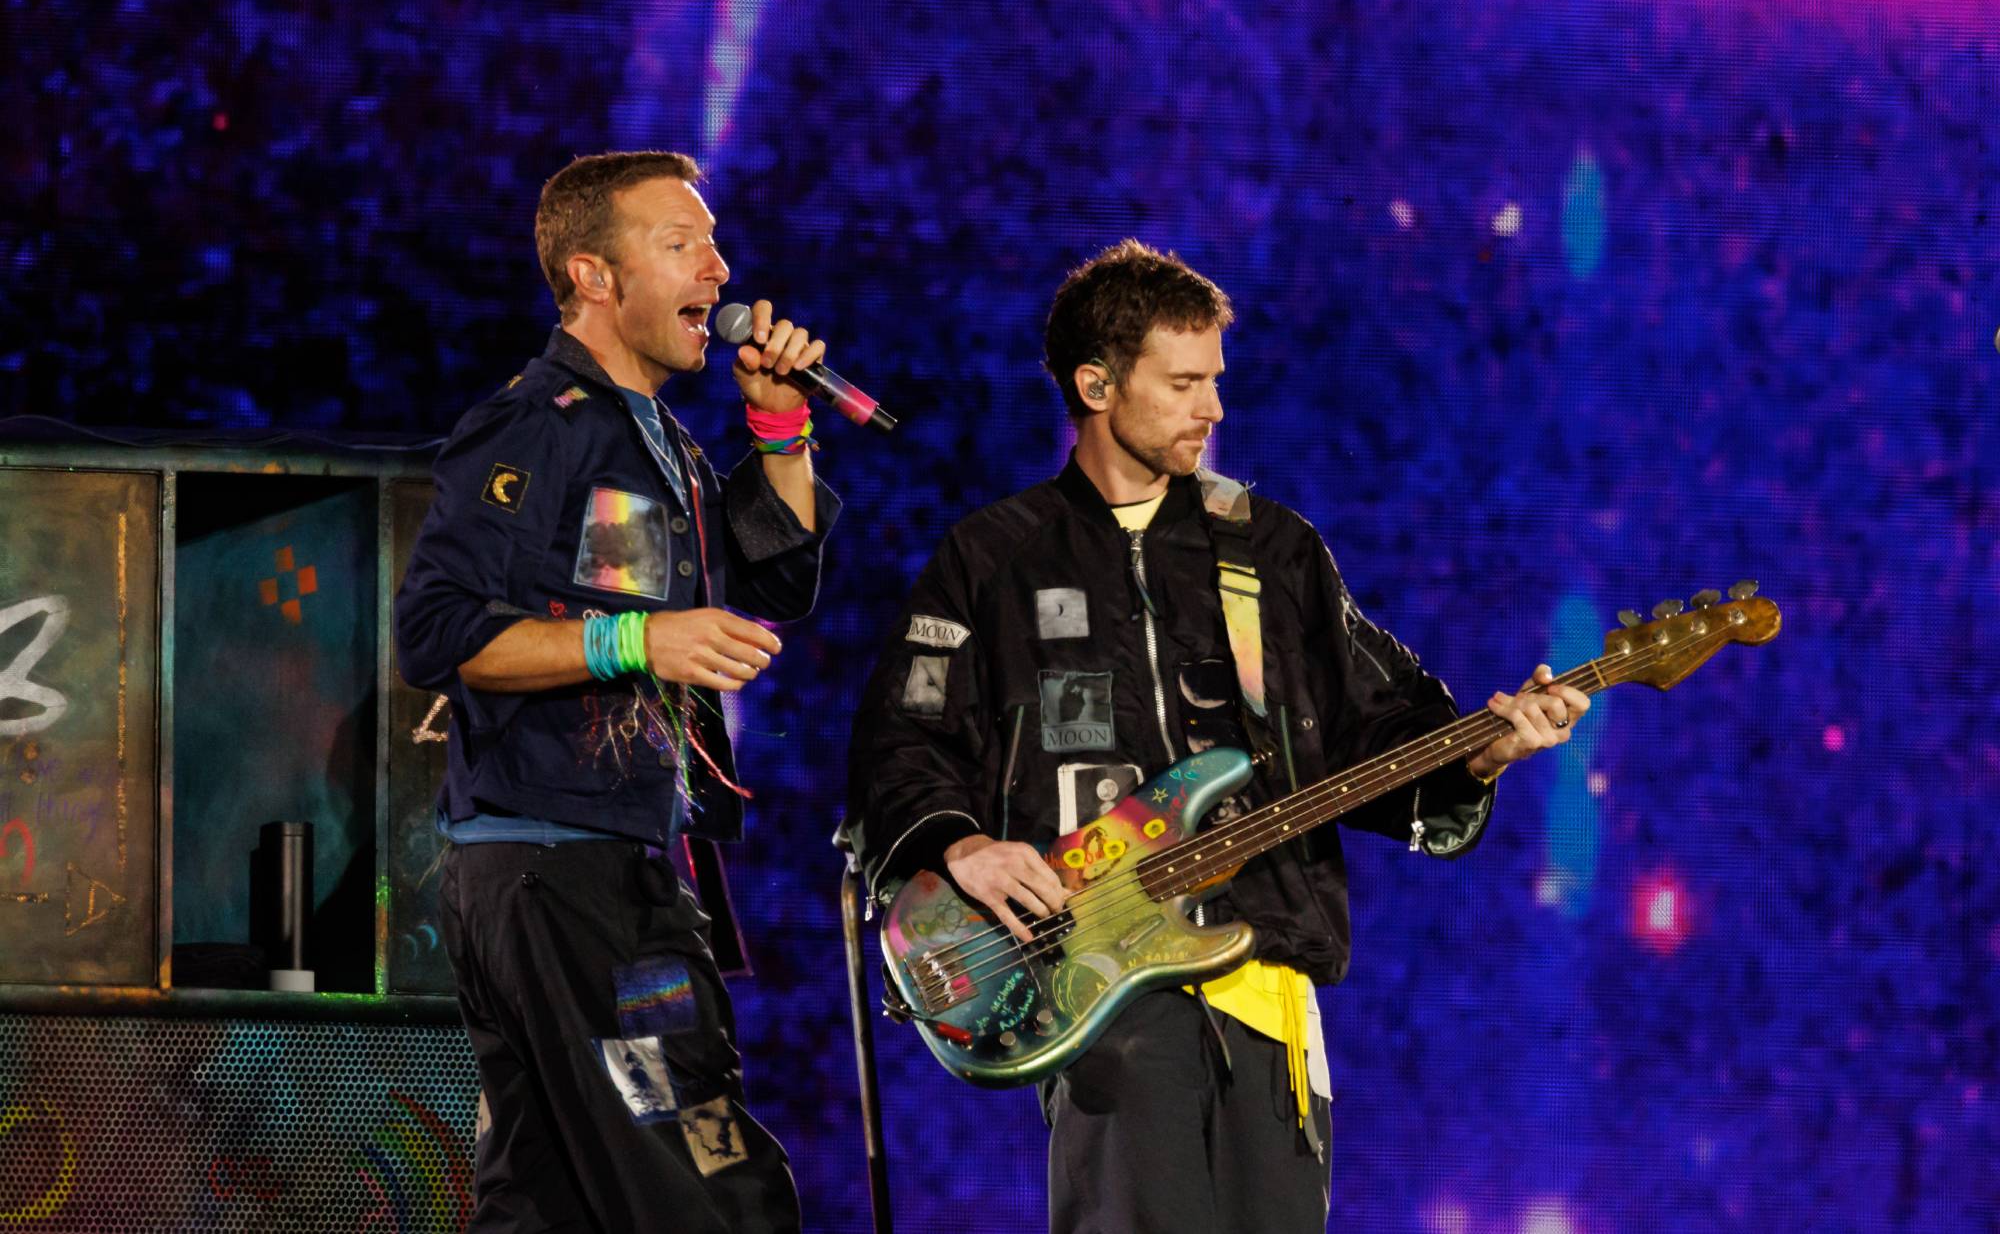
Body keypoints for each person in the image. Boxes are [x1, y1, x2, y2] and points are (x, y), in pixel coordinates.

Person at [841, 240, 1588, 1232]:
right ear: (1096, 384)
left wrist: (1485, 747)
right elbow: (902, 742)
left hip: (1267, 973)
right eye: (1183, 382)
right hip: (1099, 984)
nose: (1213, 409)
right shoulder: (991, 558)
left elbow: (1381, 725)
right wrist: (964, 846)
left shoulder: (1271, 549)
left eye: (1216, 382)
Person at [395, 150, 839, 1233]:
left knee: (544, 1203)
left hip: (599, 862)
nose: (719, 268)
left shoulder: (662, 441)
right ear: (593, 276)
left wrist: (779, 426)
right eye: (680, 244)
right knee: (713, 1179)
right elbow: (439, 631)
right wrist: (638, 635)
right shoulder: (535, 424)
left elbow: (779, 576)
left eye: (713, 241)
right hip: (561, 870)